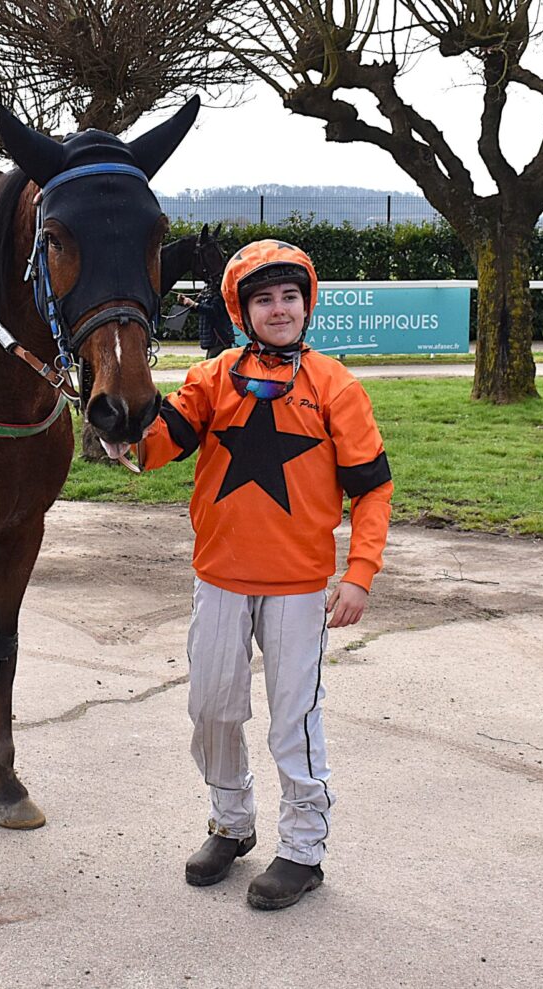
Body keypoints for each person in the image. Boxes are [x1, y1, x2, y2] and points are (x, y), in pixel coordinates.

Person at [138, 240, 393, 909]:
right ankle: (231, 822)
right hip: (218, 577)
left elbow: (372, 490)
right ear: (242, 309)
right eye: (263, 299)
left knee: (294, 721)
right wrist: (120, 418)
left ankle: (303, 849)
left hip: (301, 587)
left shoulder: (336, 386)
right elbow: (156, 446)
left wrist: (359, 571)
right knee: (212, 709)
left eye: (290, 296)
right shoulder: (213, 378)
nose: (279, 309)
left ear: (307, 304)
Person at [176, 286, 236, 358]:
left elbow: (212, 311)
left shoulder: (218, 296)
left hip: (219, 338)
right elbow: (201, 309)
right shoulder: (207, 295)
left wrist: (194, 304)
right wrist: (187, 302)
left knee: (212, 364)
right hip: (213, 339)